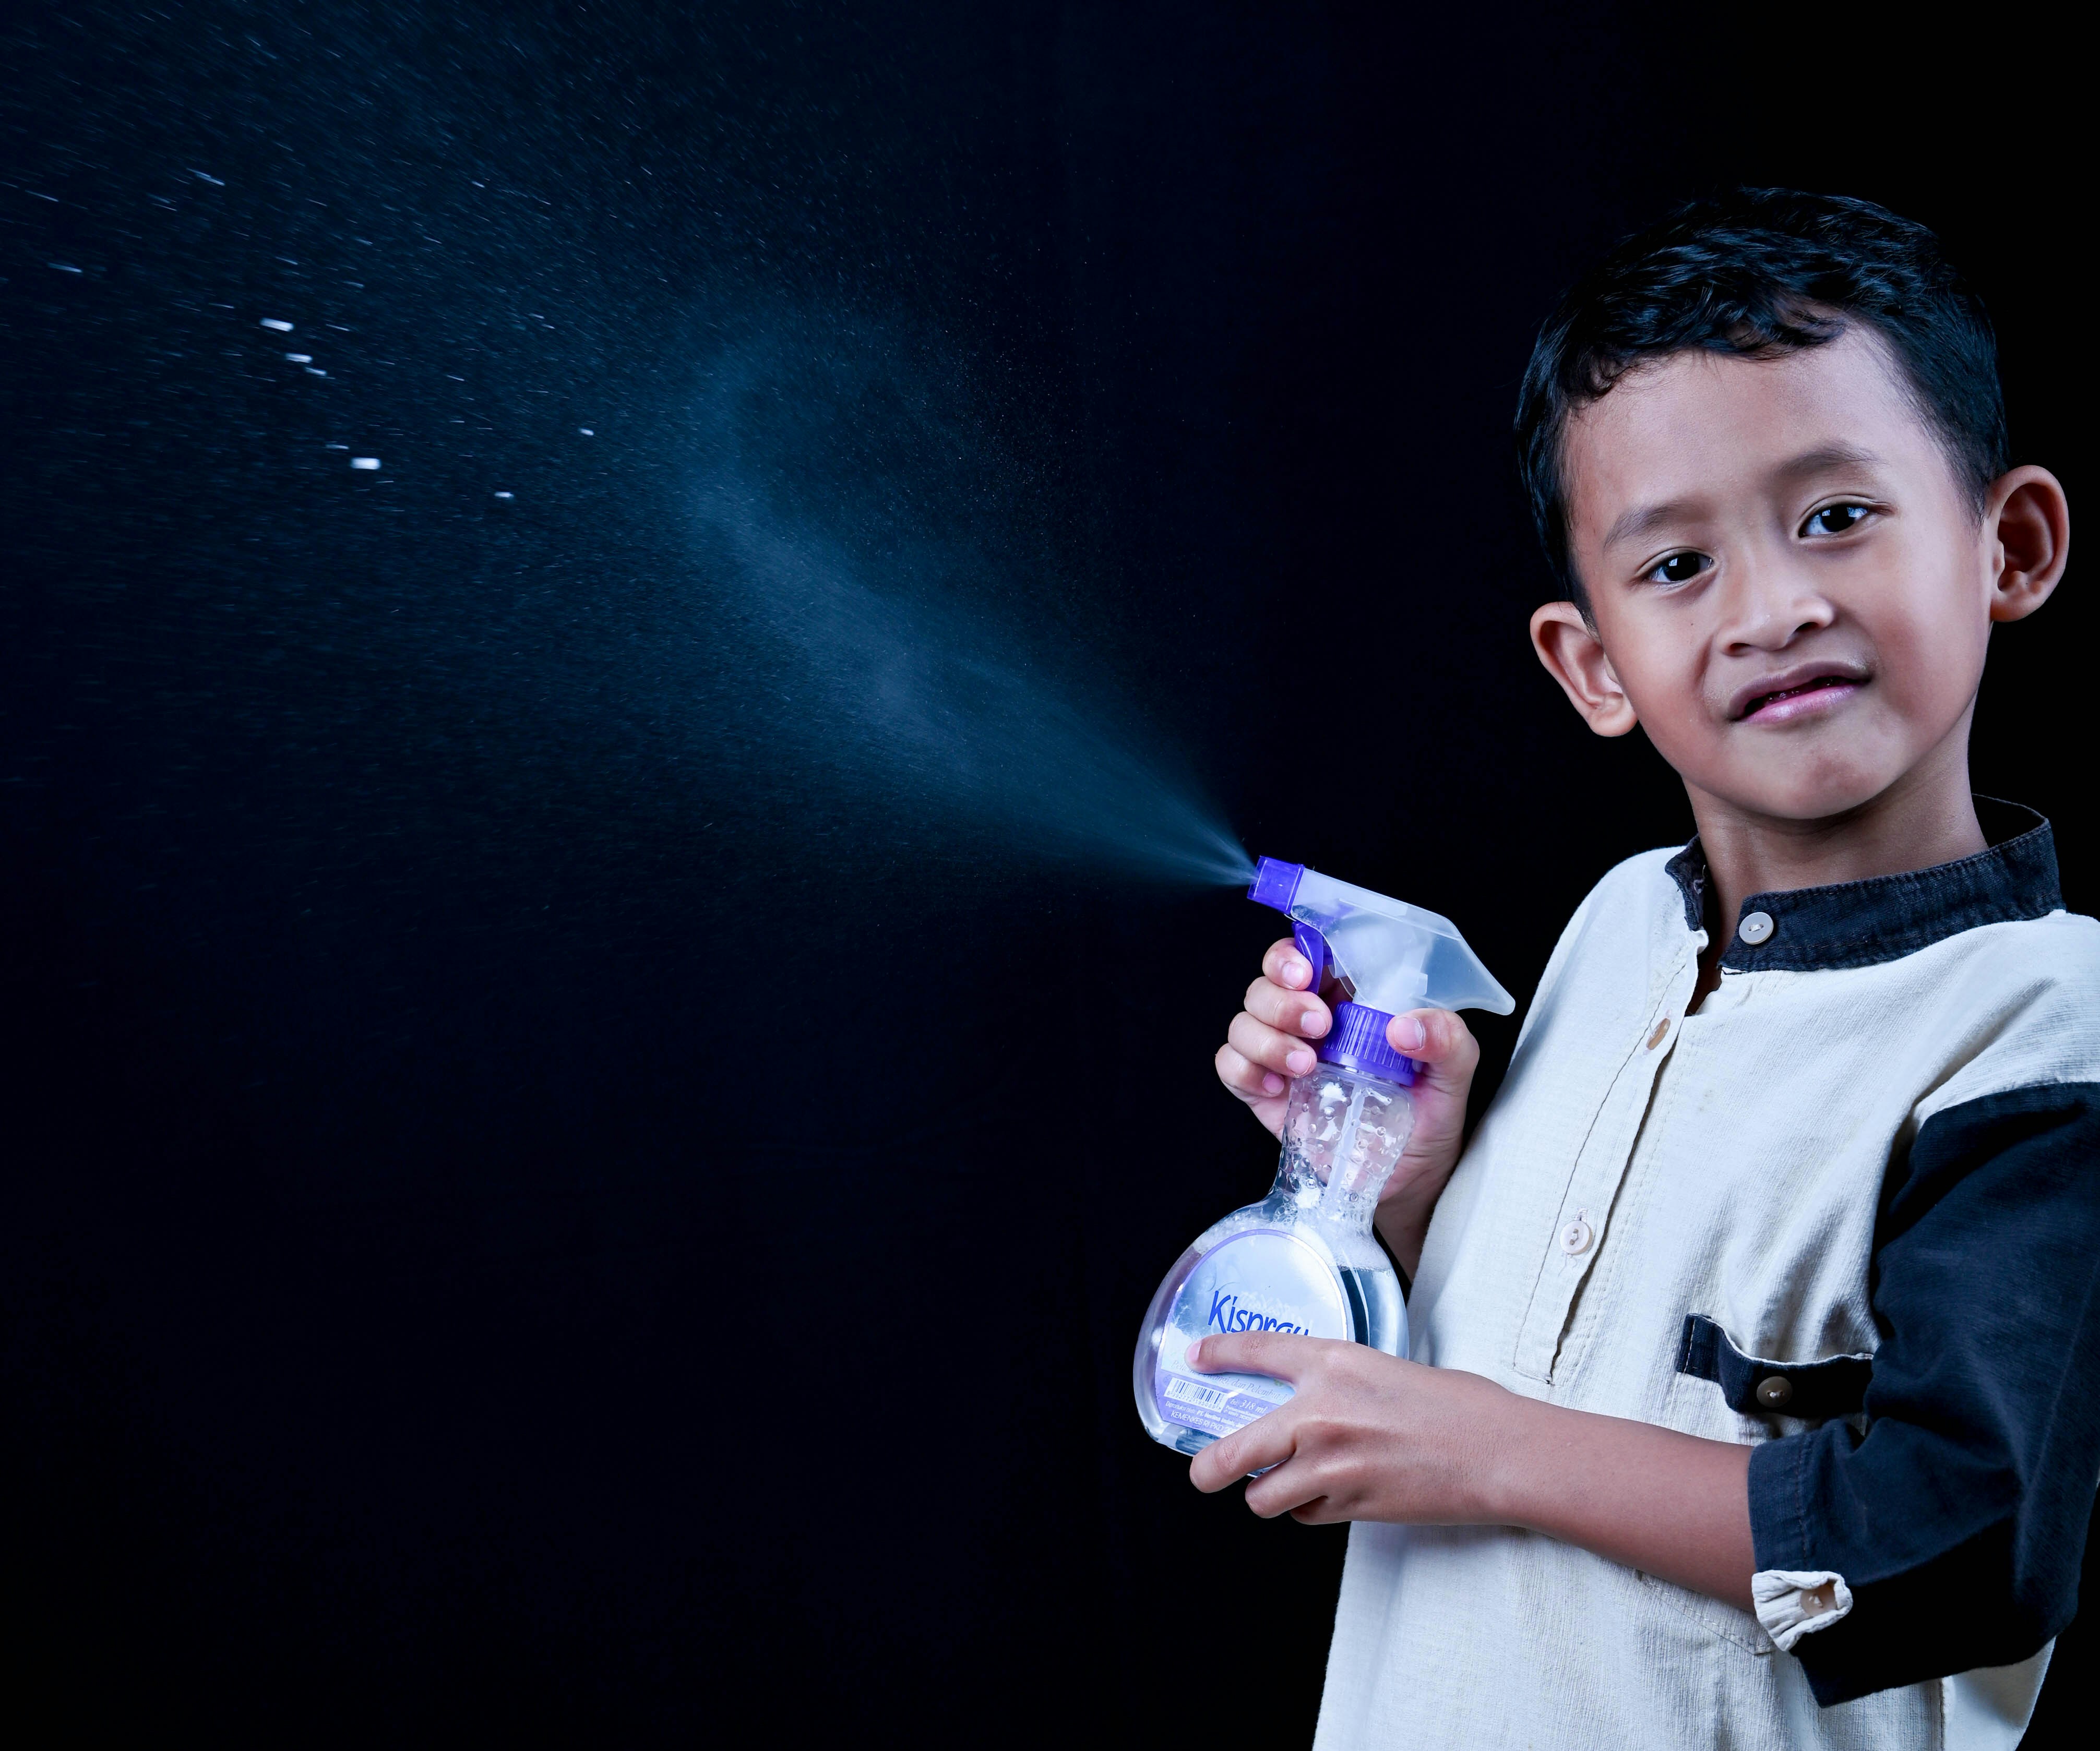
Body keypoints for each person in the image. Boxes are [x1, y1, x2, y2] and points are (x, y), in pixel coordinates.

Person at [1200, 188, 2094, 1749]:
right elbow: (1554, 1343)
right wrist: (1411, 1188)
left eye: (1834, 515)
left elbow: (1968, 1538)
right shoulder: (1619, 924)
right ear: (1593, 663)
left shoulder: (2041, 1030)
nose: (1773, 607)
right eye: (1677, 565)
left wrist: (1480, 1450)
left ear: (2006, 545)